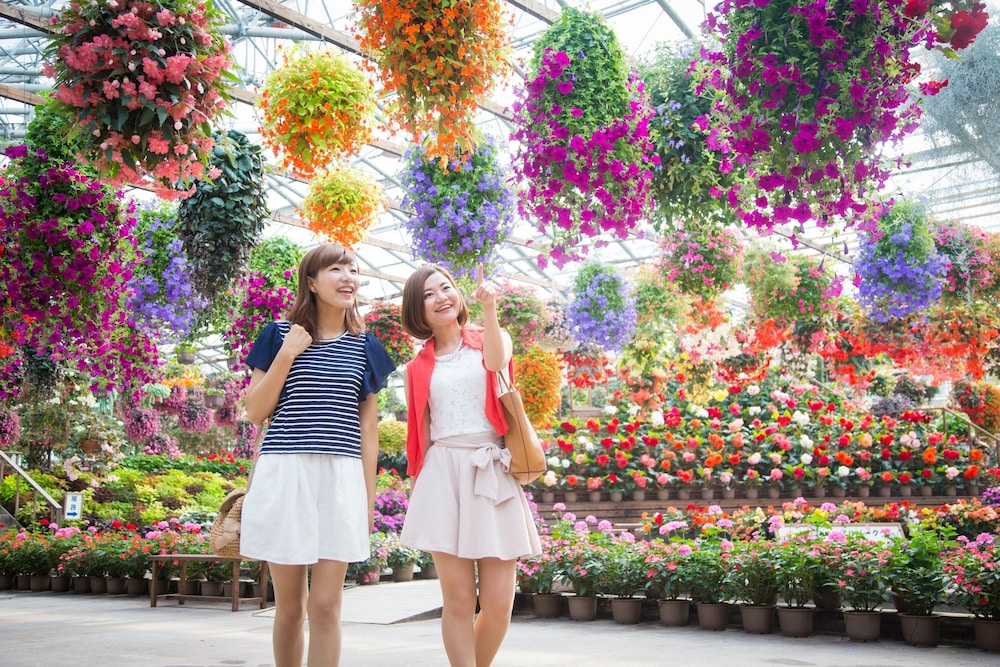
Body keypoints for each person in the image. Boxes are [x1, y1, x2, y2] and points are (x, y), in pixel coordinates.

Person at [240, 243, 395, 667]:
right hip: (286, 470)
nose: (348, 277)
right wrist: (289, 352)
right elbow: (256, 411)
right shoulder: (277, 335)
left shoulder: (366, 348)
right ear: (311, 281)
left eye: (353, 269)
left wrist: (367, 500)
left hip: (341, 477)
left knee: (326, 606)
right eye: (335, 268)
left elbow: (368, 431)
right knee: (289, 606)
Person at [399, 264, 541, 667]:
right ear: (417, 308)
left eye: (446, 288)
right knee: (458, 600)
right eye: (429, 294)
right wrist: (418, 491)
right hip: (442, 474)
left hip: (491, 468)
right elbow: (420, 430)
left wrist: (491, 308)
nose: (441, 297)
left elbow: (497, 364)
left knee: (499, 603)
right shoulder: (417, 366)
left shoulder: (488, 340)